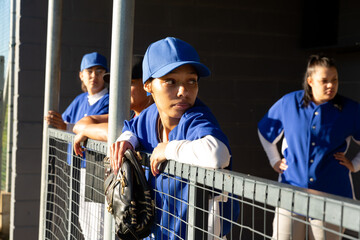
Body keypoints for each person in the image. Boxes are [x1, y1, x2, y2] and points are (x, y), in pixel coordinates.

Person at [109, 37, 239, 240]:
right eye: (170, 81)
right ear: (148, 86)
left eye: (192, 81)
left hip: (201, 234)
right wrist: (127, 140)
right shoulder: (151, 114)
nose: (183, 91)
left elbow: (217, 154)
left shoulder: (195, 116)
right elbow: (132, 128)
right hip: (160, 231)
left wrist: (168, 149)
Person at [258, 54, 360, 240]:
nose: (331, 85)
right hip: (290, 191)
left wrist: (355, 164)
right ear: (310, 81)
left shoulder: (350, 109)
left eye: (334, 80)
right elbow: (265, 131)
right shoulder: (288, 103)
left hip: (331, 194)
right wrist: (274, 160)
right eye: (324, 81)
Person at [45, 52, 109, 240]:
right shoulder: (80, 100)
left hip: (99, 169)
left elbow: (97, 131)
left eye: (99, 71)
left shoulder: (111, 100)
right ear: (81, 75)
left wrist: (67, 127)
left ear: (106, 75)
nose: (94, 76)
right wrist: (57, 123)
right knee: (85, 220)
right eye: (89, 71)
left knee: (99, 224)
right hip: (79, 168)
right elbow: (63, 125)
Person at [72, 55, 154, 156]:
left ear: (148, 85)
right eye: (120, 85)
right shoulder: (130, 115)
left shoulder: (157, 116)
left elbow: (114, 133)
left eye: (130, 83)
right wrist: (85, 131)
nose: (122, 89)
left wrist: (86, 132)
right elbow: (79, 125)